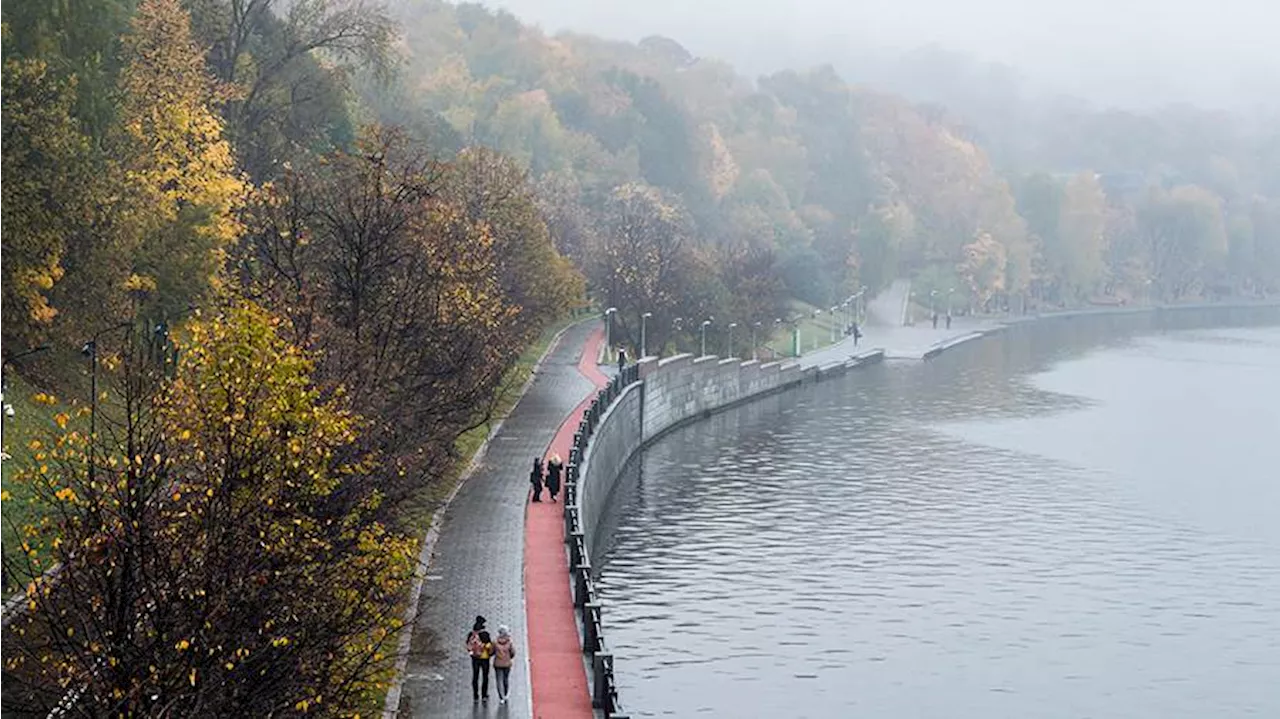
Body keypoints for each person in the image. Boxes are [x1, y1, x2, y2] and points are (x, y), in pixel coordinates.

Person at [465, 616, 492, 702]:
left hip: (475, 658)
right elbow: (489, 646)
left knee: (475, 677)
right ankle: (484, 695)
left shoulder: (471, 634)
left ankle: (475, 696)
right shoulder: (485, 634)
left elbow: (467, 645)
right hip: (484, 658)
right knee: (485, 676)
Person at [493, 624, 517, 704]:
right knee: (505, 679)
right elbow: (513, 652)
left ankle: (501, 697)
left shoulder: (495, 642)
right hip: (507, 664)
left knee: (499, 680)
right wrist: (509, 658)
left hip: (498, 664)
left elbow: (491, 652)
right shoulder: (509, 642)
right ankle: (506, 694)